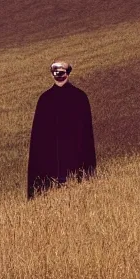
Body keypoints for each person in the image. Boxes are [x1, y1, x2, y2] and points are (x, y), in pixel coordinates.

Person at [27, 61, 97, 199]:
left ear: (68, 73)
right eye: (55, 72)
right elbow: (37, 139)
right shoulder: (45, 100)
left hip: (75, 165)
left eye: (62, 72)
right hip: (49, 168)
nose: (59, 76)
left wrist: (89, 171)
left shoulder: (79, 98)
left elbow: (87, 136)